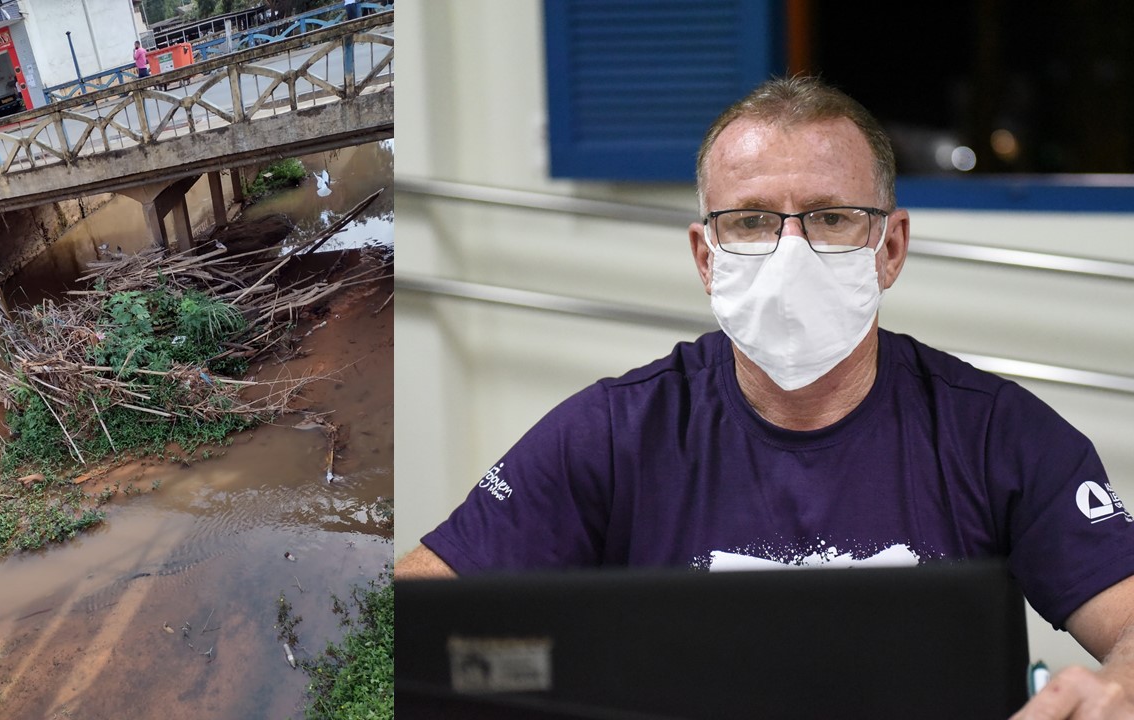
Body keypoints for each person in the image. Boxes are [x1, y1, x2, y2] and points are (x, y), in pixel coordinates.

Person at [397, 76, 1134, 717]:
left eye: (830, 216)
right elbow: (409, 622)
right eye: (749, 221)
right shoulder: (613, 434)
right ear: (704, 257)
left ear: (892, 248)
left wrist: (1119, 688)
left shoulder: (999, 435)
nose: (790, 254)